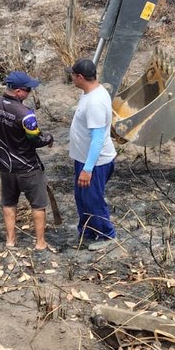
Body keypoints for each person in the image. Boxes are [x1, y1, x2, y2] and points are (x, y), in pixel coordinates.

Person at [0, 71, 55, 251]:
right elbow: (35, 140)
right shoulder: (26, 114)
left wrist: (2, 131)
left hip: (5, 166)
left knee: (8, 202)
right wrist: (49, 138)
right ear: (18, 91)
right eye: (28, 90)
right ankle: (40, 243)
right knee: (38, 204)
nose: (29, 93)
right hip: (28, 167)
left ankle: (10, 241)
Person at [67, 58, 117, 245]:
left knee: (93, 200)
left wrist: (87, 169)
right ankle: (88, 232)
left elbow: (97, 139)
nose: (71, 78)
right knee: (82, 198)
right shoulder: (90, 92)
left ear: (80, 77)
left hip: (95, 162)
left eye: (73, 75)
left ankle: (106, 235)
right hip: (84, 158)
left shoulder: (95, 102)